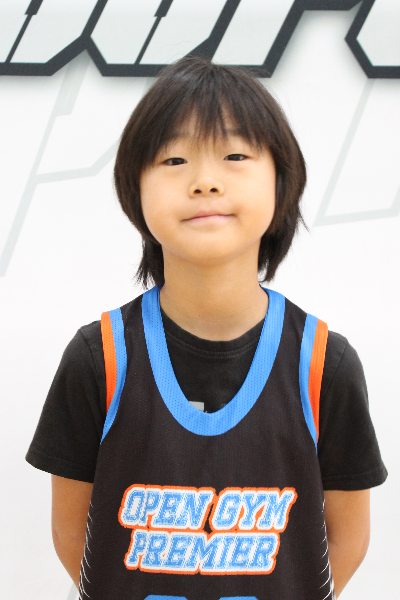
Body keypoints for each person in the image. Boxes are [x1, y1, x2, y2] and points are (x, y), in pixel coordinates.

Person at [26, 56, 387, 600]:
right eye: (174, 159)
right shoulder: (98, 357)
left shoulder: (322, 364)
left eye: (235, 155)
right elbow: (73, 534)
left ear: (281, 181)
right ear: (134, 189)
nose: (205, 182)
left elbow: (347, 540)